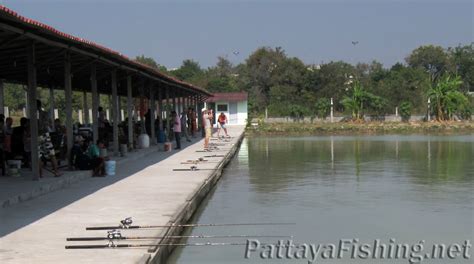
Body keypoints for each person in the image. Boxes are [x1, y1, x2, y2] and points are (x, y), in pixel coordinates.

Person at [37, 100, 61, 178]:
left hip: (37, 135)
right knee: (51, 154)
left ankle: (40, 175)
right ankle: (56, 172)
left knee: (38, 155)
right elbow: (48, 124)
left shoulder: (32, 115)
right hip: (45, 134)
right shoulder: (45, 114)